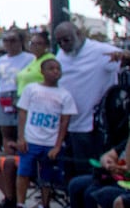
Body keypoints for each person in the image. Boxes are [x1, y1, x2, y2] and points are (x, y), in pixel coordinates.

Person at [52, 21, 130, 174]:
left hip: (92, 125)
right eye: (59, 41)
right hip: (68, 125)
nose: (62, 44)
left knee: (90, 172)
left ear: (79, 34)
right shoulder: (61, 55)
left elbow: (124, 57)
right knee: (72, 174)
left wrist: (124, 56)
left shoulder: (101, 51)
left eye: (66, 40)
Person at [11, 56, 77, 208]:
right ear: (42, 72)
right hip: (31, 139)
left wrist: (57, 145)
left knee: (48, 176)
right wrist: (21, 137)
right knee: (24, 172)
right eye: (51, 68)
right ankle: (20, 205)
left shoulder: (65, 95)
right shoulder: (31, 89)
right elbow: (23, 113)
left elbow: (64, 121)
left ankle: (44, 207)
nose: (55, 72)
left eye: (58, 69)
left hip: (50, 142)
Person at [0, 30, 34, 151]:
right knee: (6, 131)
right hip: (3, 95)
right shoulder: (0, 60)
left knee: (22, 130)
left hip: (20, 95)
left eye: (13, 40)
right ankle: (9, 159)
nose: (9, 43)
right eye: (6, 40)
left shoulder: (30, 58)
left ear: (21, 42)